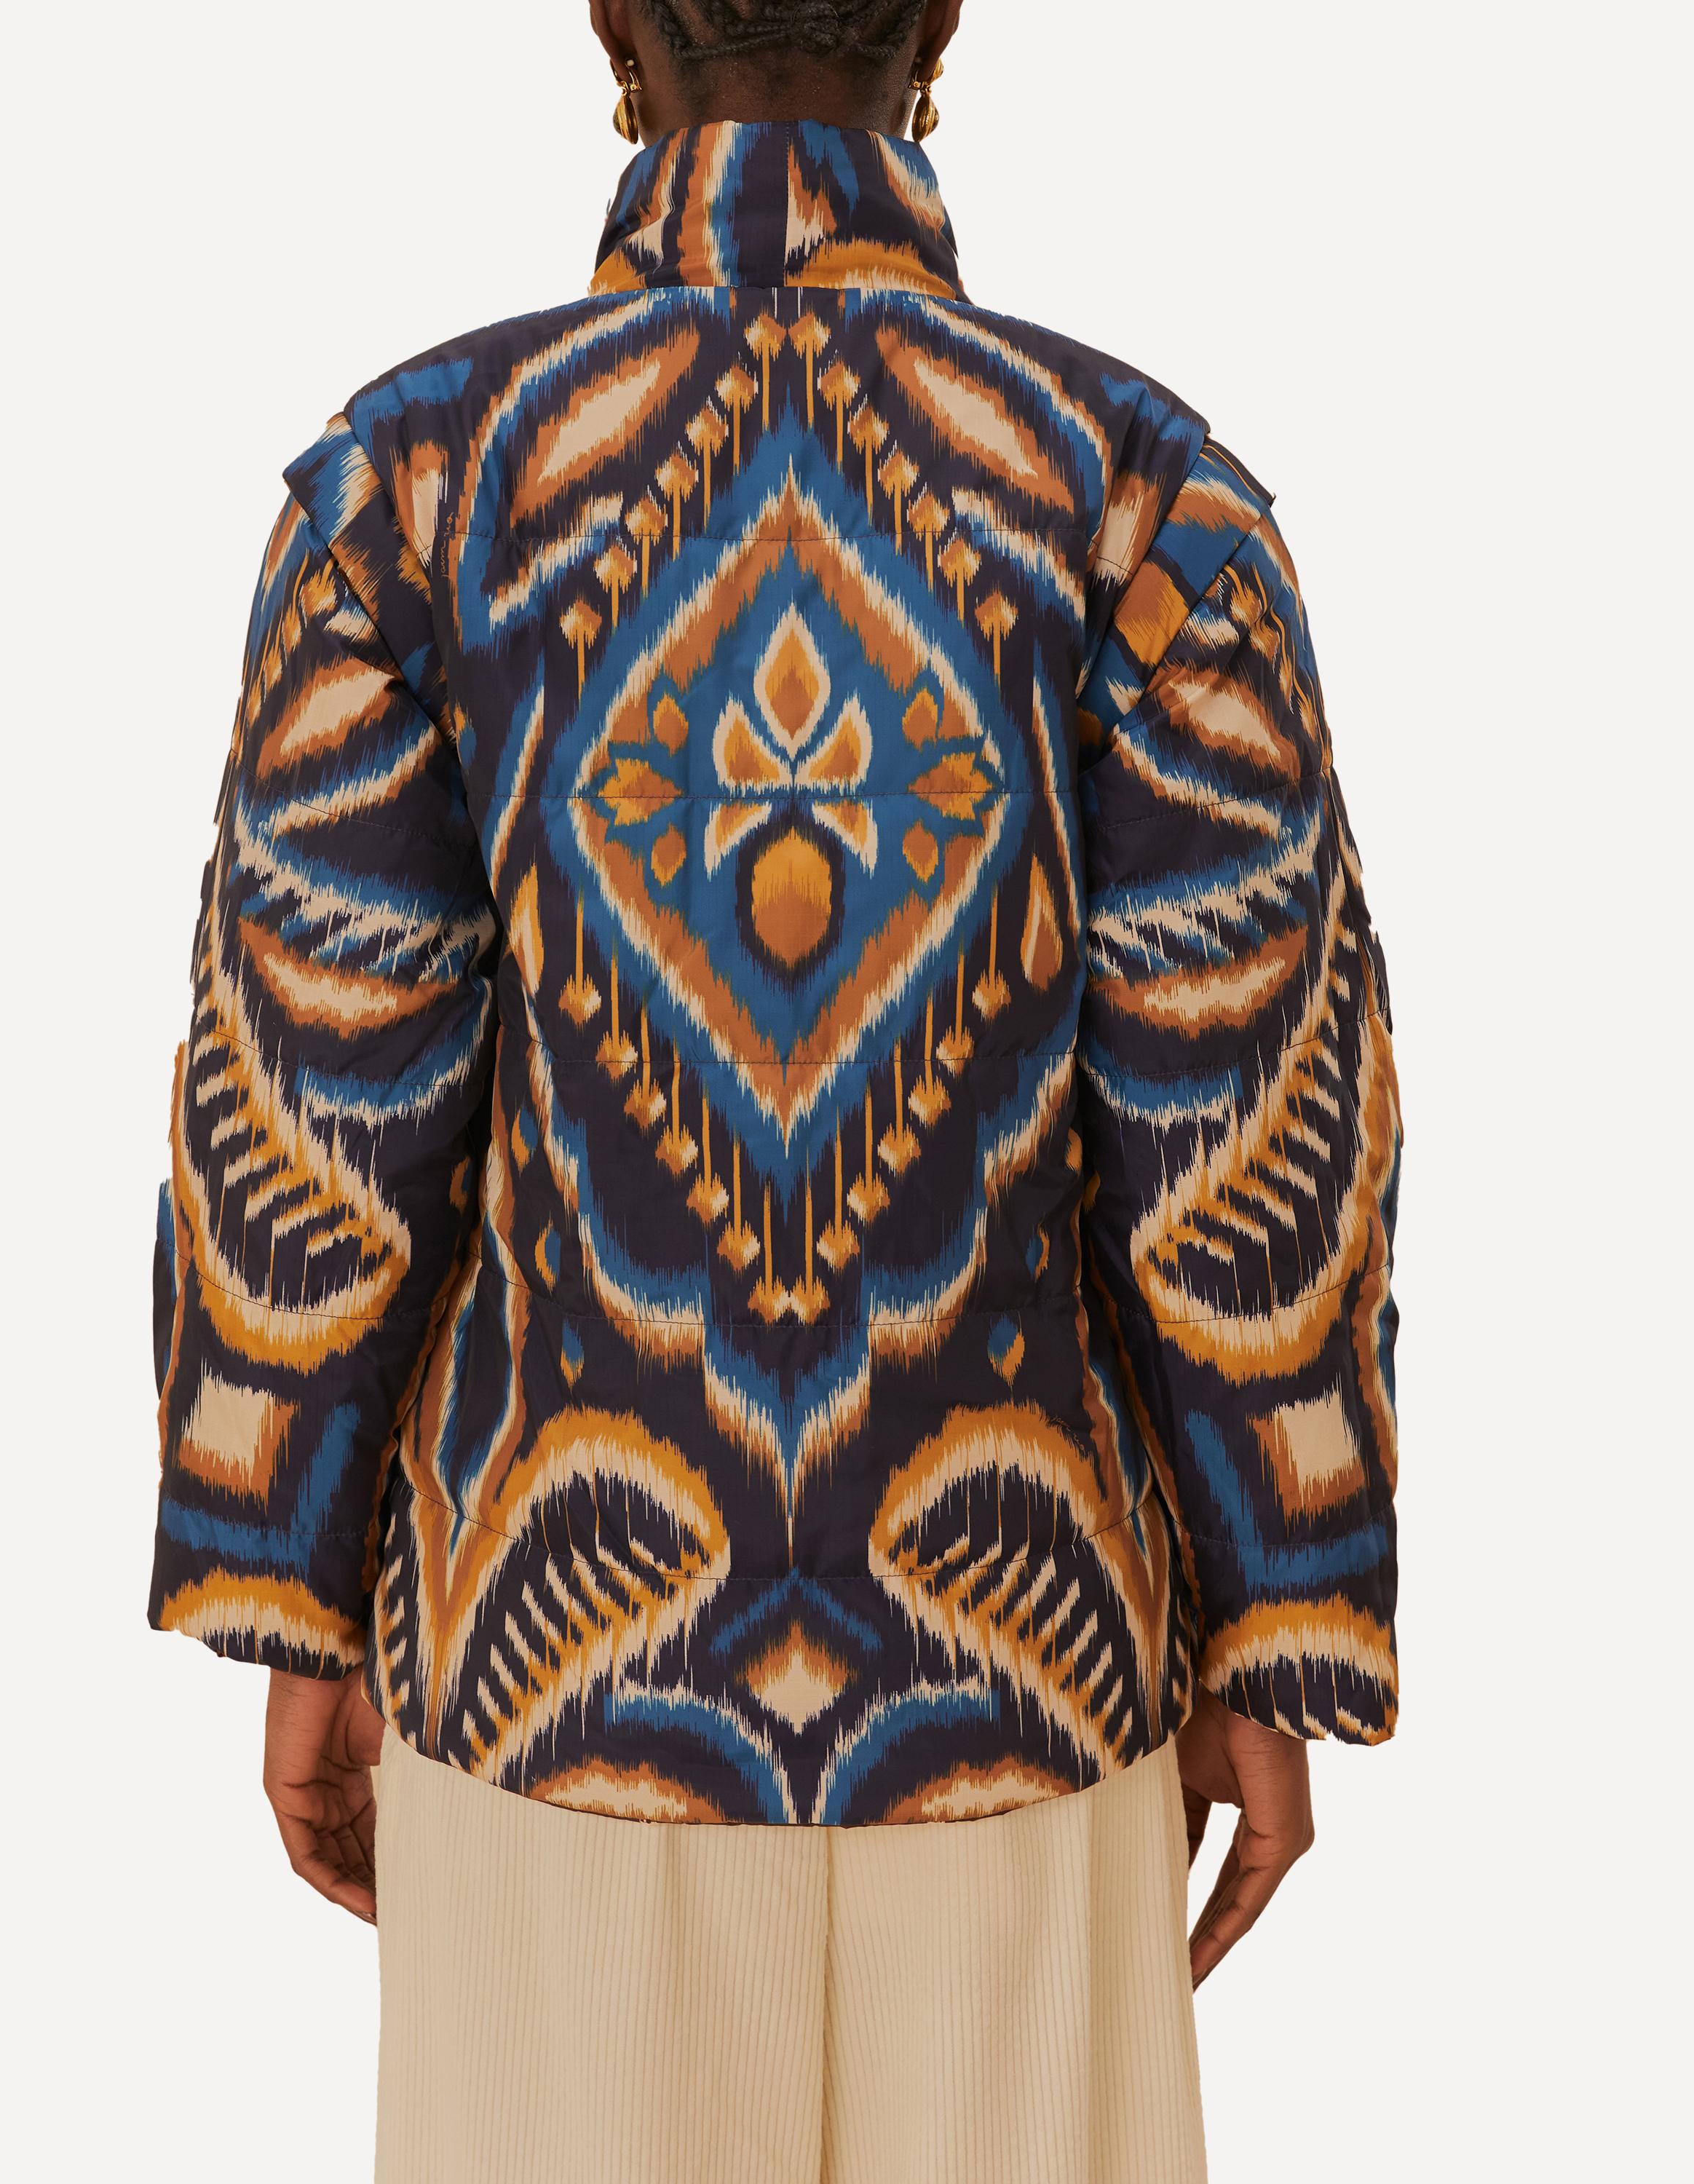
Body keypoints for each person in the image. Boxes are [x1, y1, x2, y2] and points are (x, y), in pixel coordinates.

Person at [146, 3, 1403, 2177]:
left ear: (612, 25)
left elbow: (317, 1081)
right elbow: (1247, 1102)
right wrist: (1274, 1622)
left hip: (553, 1676)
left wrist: (299, 1594)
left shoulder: (414, 489)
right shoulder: (1139, 497)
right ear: (939, 26)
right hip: (1021, 1674)